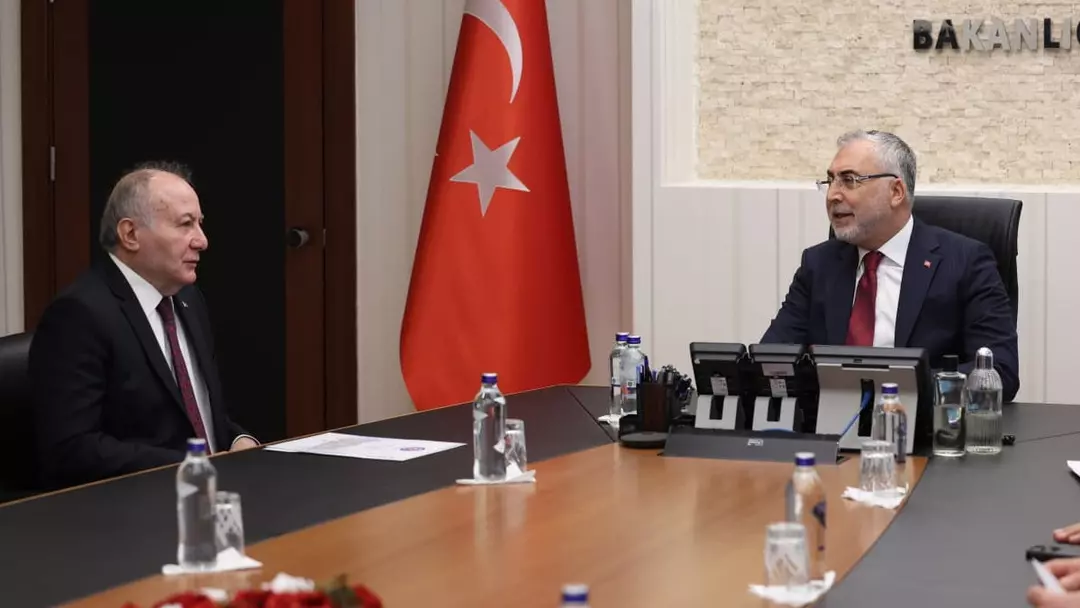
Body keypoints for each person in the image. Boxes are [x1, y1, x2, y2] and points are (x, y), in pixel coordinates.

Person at [29, 161, 257, 489]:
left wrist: (238, 440)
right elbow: (71, 449)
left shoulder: (188, 299)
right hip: (133, 504)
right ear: (130, 234)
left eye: (200, 224)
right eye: (185, 224)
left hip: (208, 490)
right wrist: (194, 464)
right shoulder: (79, 315)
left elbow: (195, 415)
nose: (202, 241)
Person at [760, 130, 1019, 401]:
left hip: (924, 423)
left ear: (896, 192)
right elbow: (771, 361)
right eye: (830, 180)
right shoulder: (819, 265)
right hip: (830, 422)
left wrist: (893, 389)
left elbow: (998, 372)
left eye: (849, 180)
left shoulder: (965, 263)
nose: (833, 195)